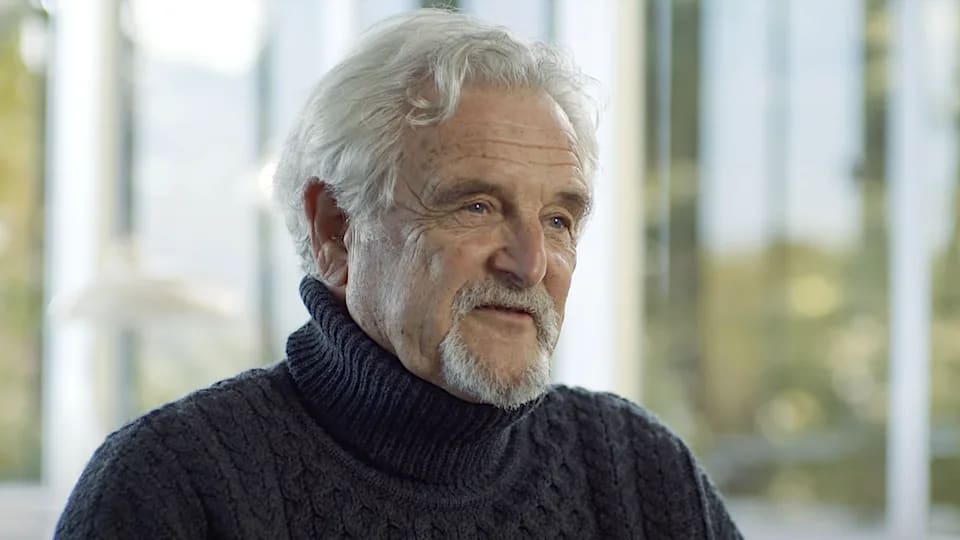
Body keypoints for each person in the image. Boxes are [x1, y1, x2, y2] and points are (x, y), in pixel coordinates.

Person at [56, 9, 741, 539]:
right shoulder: (172, 486)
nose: (530, 263)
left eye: (559, 220)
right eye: (476, 206)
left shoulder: (637, 472)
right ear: (335, 229)